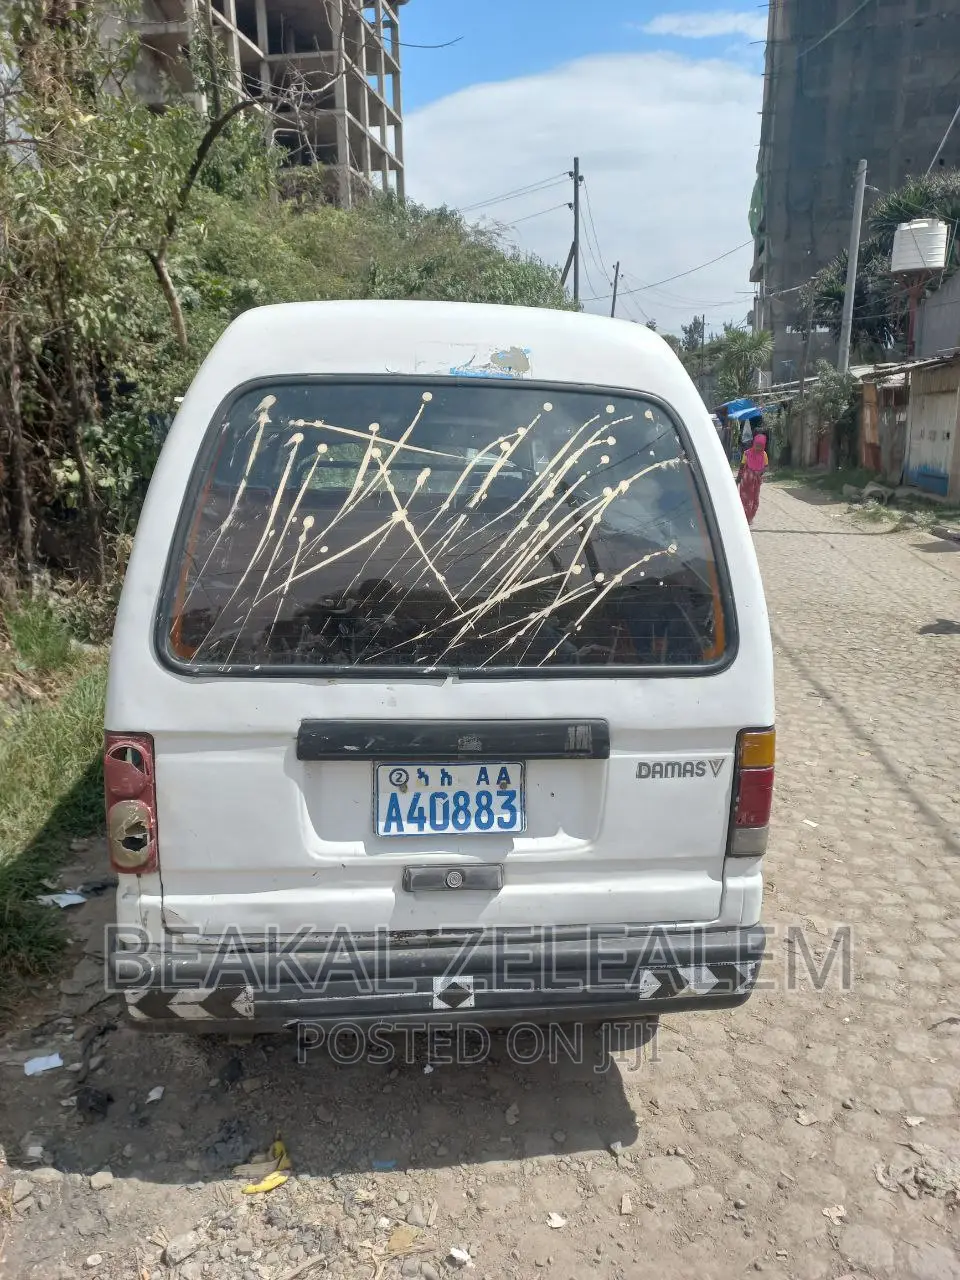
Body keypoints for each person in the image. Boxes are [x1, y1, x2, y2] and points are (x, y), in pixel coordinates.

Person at [737, 432, 768, 527]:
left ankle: (750, 517)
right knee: (745, 499)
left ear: (763, 446)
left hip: (756, 481)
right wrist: (738, 478)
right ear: (754, 443)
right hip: (746, 481)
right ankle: (744, 518)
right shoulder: (747, 453)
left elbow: (766, 466)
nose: (758, 447)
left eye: (760, 445)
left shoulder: (764, 455)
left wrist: (760, 472)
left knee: (755, 501)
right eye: (757, 445)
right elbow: (742, 466)